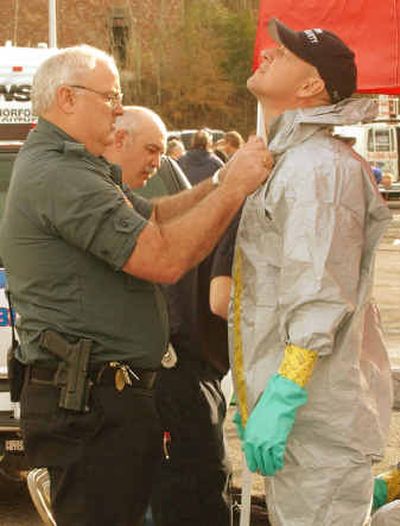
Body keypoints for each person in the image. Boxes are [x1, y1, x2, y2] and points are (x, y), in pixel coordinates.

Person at [0, 44, 270, 526]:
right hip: (90, 407)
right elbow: (163, 257)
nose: (120, 107)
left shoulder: (74, 165)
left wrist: (220, 181)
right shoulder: (61, 174)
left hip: (102, 401)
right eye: (112, 96)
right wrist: (233, 190)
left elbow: (153, 214)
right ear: (67, 98)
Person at [221, 19, 393, 525]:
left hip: (318, 427)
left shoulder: (317, 168)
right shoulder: (291, 161)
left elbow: (319, 297)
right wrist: (258, 392)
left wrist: (284, 394)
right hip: (303, 427)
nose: (269, 52)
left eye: (288, 50)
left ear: (312, 84)